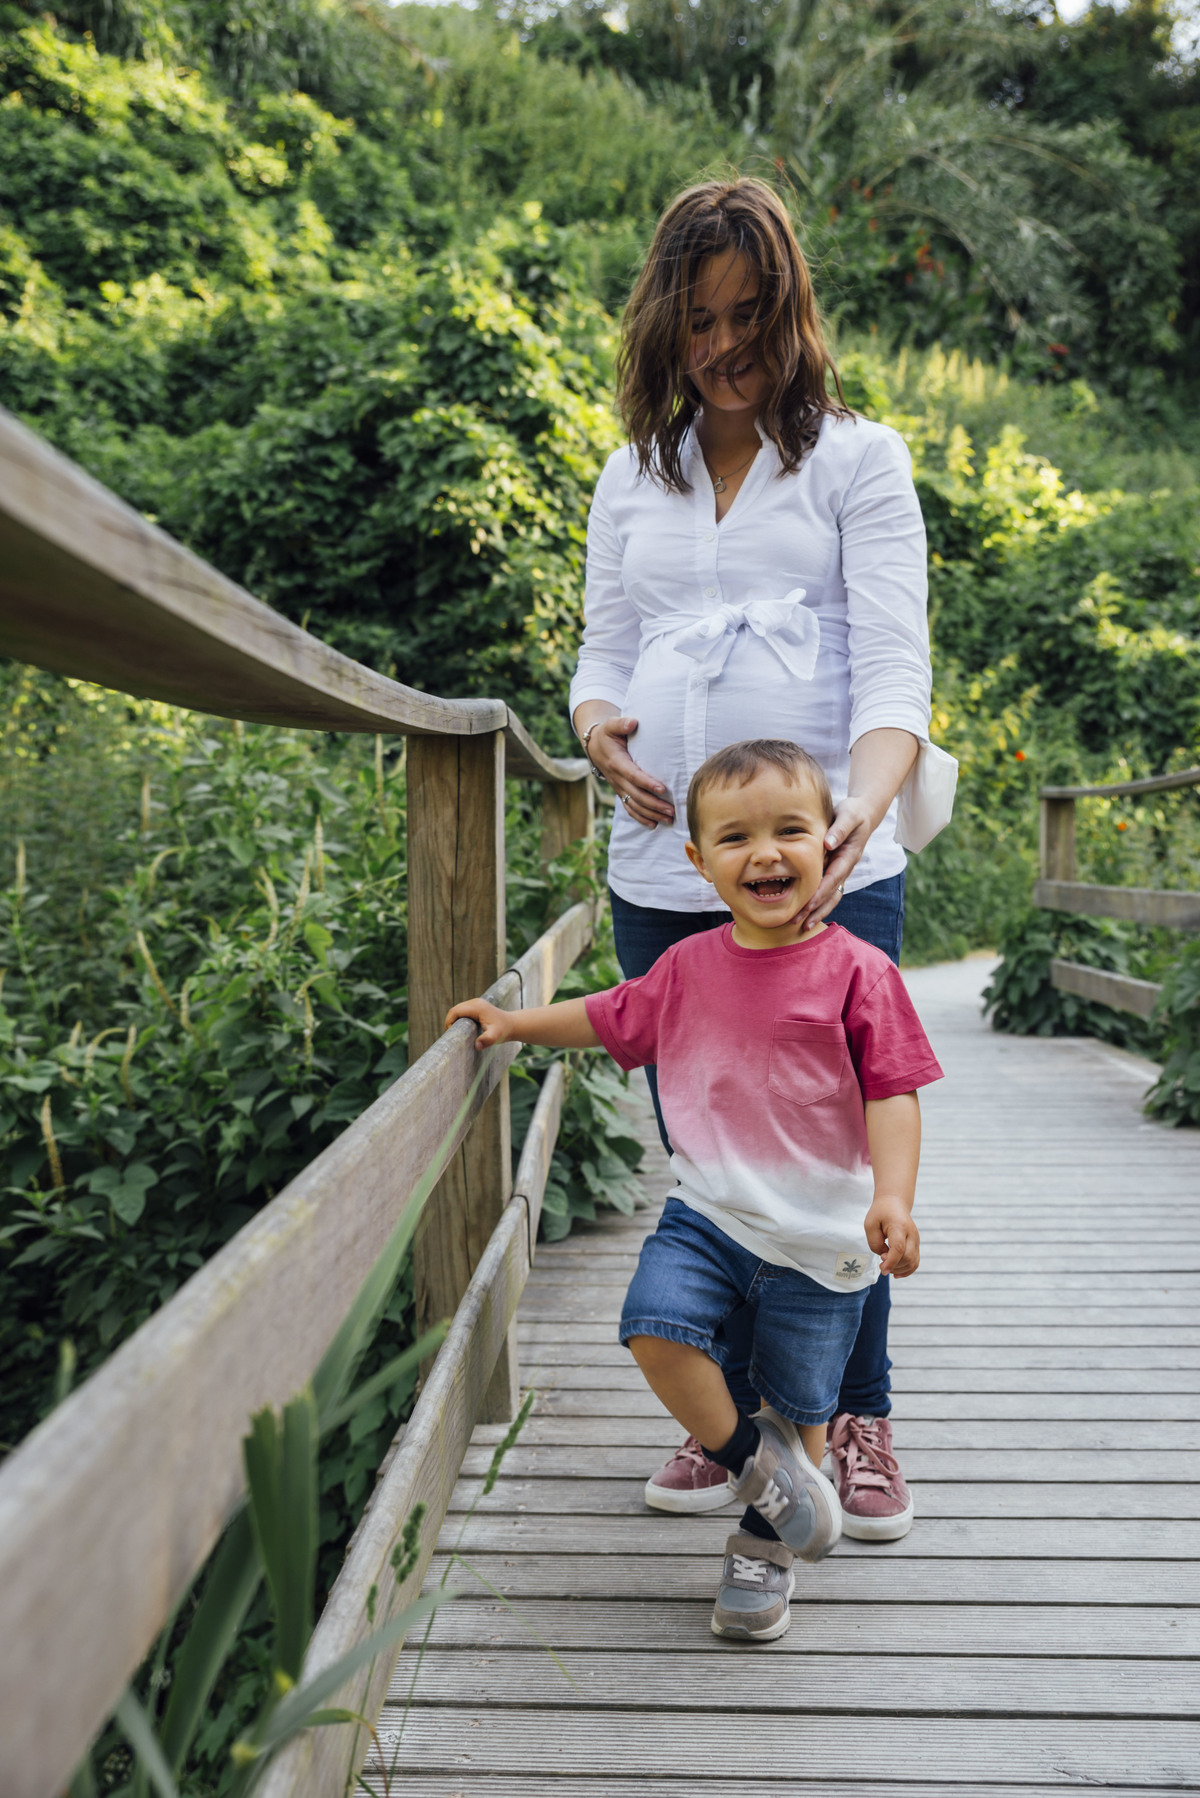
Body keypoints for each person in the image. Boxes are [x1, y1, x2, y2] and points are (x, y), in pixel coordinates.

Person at [567, 176, 932, 1536]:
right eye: (699, 319)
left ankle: (860, 1412)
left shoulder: (857, 461)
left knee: (836, 1161)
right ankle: (735, 1421)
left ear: (793, 314)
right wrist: (598, 726)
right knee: (710, 1154)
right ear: (665, 325)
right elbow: (602, 655)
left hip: (825, 869)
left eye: (751, 316)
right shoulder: (632, 474)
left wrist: (858, 810)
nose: (724, 346)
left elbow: (898, 678)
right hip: (666, 874)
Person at [447, 740, 943, 1640]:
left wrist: (895, 1199)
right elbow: (605, 1016)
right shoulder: (687, 968)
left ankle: (765, 1540)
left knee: (800, 1409)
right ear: (699, 862)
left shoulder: (860, 973)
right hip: (709, 1212)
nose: (766, 853)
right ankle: (756, 1468)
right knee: (653, 1324)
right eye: (736, 837)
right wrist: (514, 1021)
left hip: (822, 1236)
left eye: (792, 830)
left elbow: (894, 1093)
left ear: (832, 843)